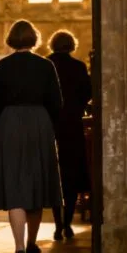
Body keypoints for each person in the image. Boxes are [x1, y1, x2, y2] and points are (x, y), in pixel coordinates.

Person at [0, 20, 63, 253]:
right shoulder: (46, 65)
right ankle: (31, 243)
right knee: (36, 183)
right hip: (39, 122)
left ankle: (18, 247)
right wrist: (52, 130)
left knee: (14, 183)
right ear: (34, 38)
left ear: (11, 39)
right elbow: (56, 103)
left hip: (9, 123)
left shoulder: (2, 67)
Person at [46, 30, 92, 241]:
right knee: (71, 176)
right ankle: (67, 223)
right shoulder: (78, 67)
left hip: (50, 126)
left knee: (54, 176)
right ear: (72, 46)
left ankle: (57, 224)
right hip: (72, 126)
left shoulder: (46, 64)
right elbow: (88, 93)